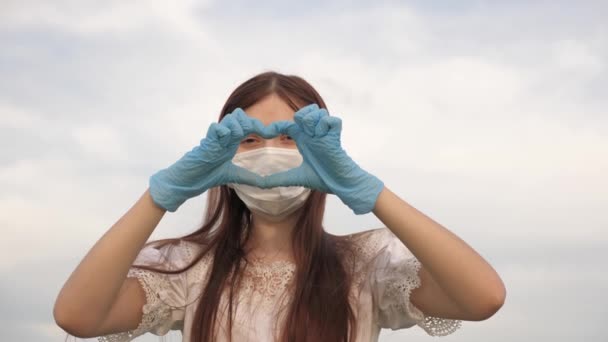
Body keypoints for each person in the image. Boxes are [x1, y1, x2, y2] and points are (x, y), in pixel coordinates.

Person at [53, 71, 506, 342]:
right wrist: (161, 194)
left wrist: (368, 191)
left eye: (292, 138)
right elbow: (77, 316)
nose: (271, 152)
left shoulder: (366, 264)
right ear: (221, 154)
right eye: (250, 140)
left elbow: (483, 297)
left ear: (323, 151)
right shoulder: (187, 267)